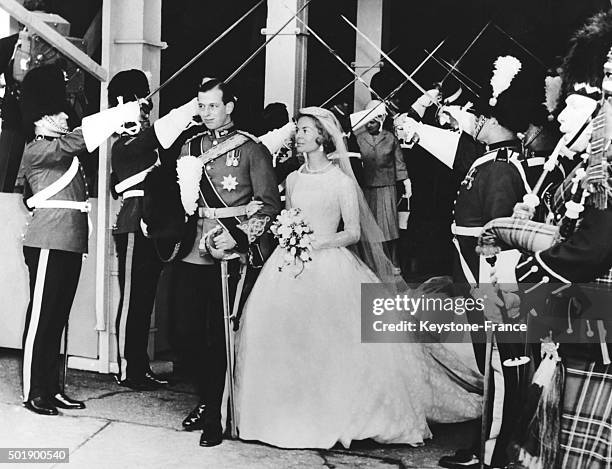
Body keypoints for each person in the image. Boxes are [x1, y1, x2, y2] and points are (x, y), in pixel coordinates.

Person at [234, 106, 482, 450]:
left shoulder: (341, 182)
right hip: (289, 263)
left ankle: (336, 413)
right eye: (298, 130)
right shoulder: (291, 179)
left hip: (329, 263)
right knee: (279, 331)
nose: (298, 135)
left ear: (322, 137)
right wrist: (289, 235)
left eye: (305, 130)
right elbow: (289, 214)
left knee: (334, 338)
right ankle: (284, 413)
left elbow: (352, 233)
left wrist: (318, 240)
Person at [488, 11, 612, 468]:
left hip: (595, 318)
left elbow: (593, 248)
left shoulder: (605, 162)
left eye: (586, 93)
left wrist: (521, 270)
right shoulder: (586, 162)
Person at [19, 64, 141, 415]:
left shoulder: (56, 143)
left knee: (58, 319)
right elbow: (79, 140)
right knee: (42, 318)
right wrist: (119, 114)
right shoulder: (38, 148)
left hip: (70, 239)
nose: (63, 114)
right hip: (47, 239)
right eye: (56, 109)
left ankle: (52, 386)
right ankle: (33, 390)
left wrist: (123, 117)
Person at [167, 78, 281, 447]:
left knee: (218, 336)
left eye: (212, 106)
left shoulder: (251, 149)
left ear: (229, 106)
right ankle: (206, 394)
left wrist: (241, 234)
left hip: (229, 251)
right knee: (182, 331)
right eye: (200, 106)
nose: (205, 112)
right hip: (191, 248)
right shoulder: (190, 145)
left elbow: (268, 203)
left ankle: (215, 412)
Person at [107, 69, 200, 389]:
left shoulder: (143, 142)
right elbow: (158, 134)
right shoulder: (123, 144)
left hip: (150, 226)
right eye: (139, 101)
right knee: (134, 301)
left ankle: (139, 366)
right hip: (133, 226)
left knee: (145, 301)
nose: (145, 108)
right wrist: (189, 108)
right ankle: (127, 368)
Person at [354, 100, 410, 270]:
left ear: (381, 119)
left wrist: (407, 184)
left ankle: (392, 263)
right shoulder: (358, 139)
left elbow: (399, 164)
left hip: (387, 188)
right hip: (367, 188)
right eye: (367, 121)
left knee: (389, 228)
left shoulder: (390, 138)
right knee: (369, 227)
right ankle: (370, 263)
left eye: (373, 121)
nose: (369, 124)